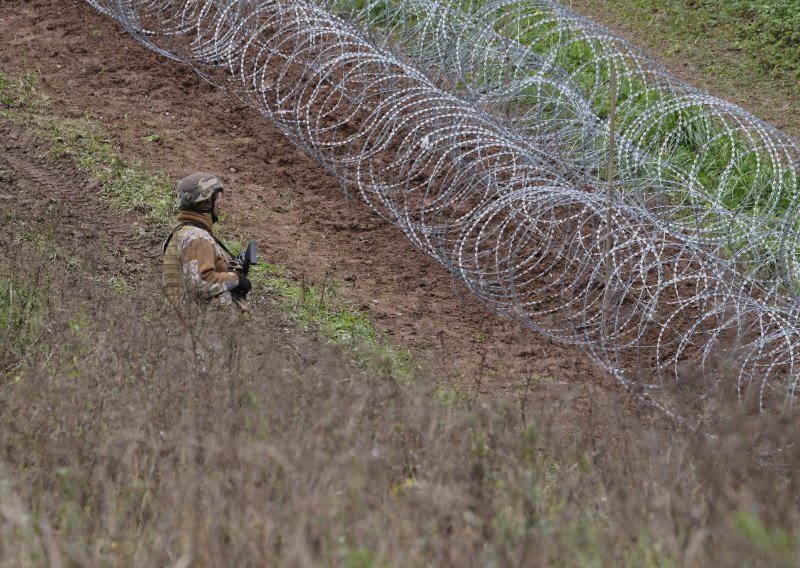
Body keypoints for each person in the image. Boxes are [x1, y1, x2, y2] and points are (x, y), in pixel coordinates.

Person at [162, 172, 252, 310]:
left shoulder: (182, 233)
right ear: (205, 203)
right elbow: (200, 284)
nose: (219, 207)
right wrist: (236, 279)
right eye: (217, 202)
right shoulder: (197, 238)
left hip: (183, 323)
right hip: (198, 325)